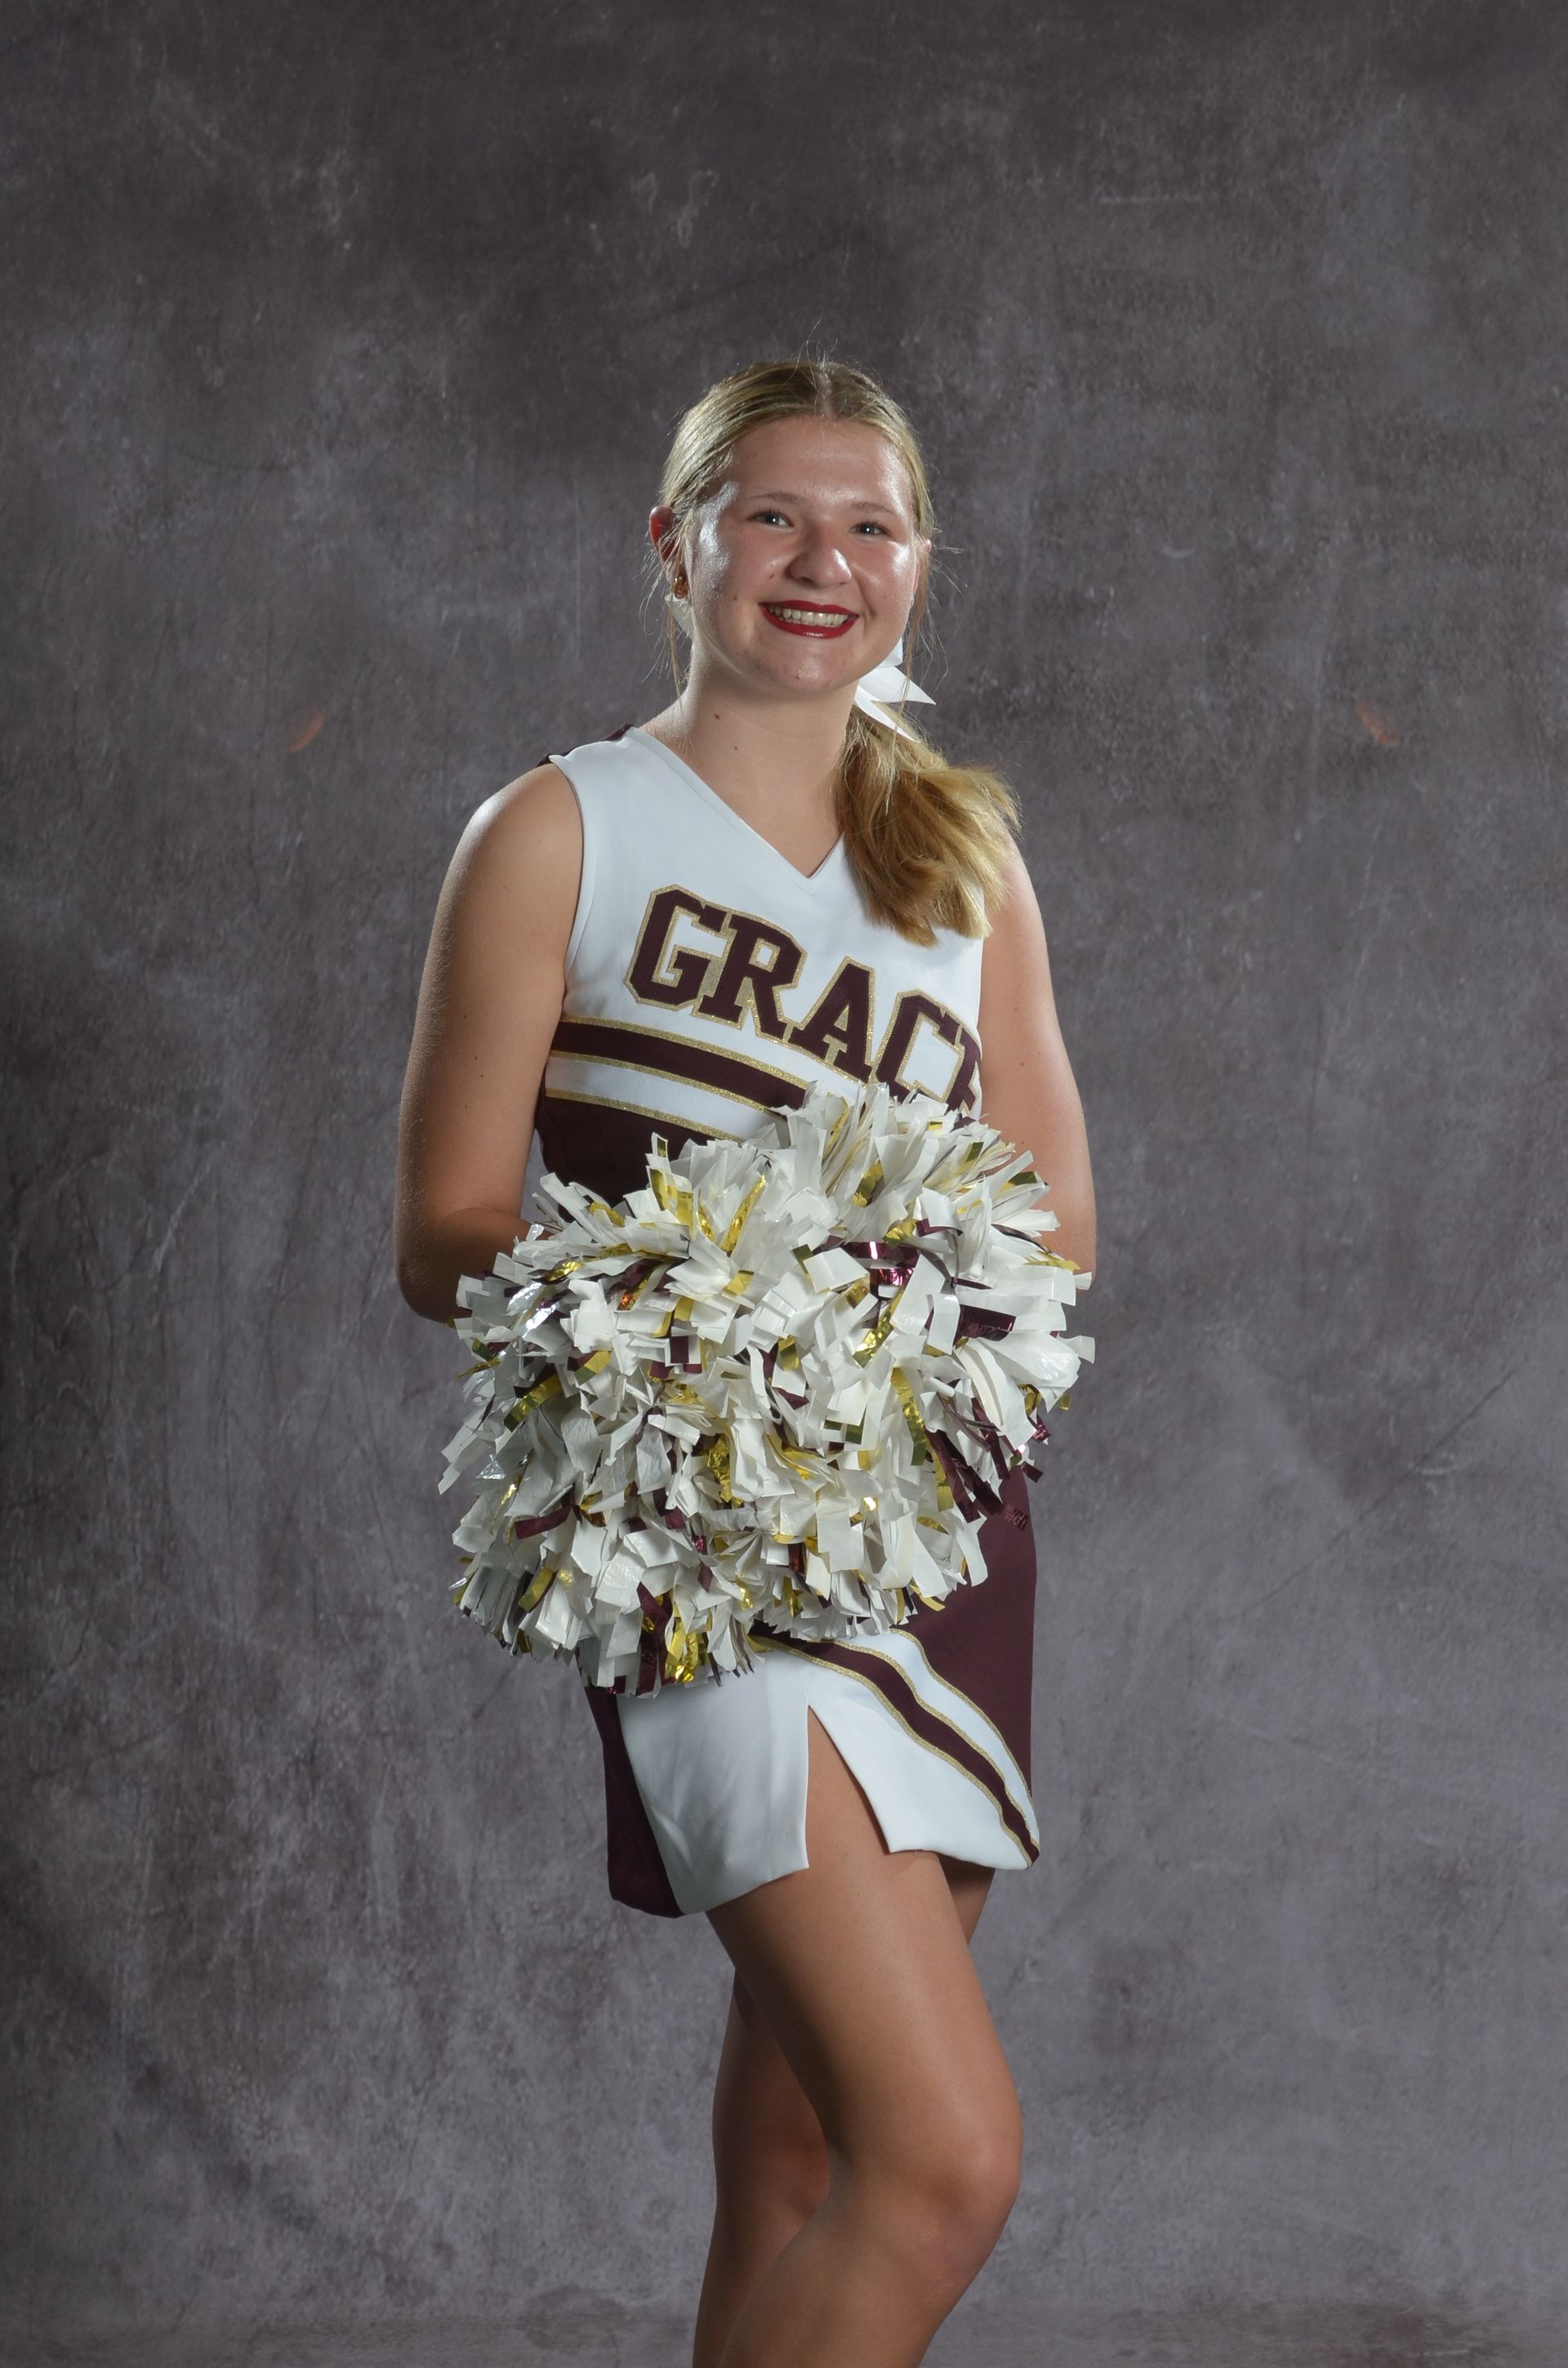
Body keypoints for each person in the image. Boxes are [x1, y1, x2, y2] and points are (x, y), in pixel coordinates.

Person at [394, 355, 1097, 2368]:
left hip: (946, 1539)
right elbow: (445, 1226)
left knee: (797, 2147)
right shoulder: (558, 826)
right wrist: (714, 1317)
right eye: (774, 514)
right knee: (944, 2157)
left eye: (870, 525)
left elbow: (1059, 1225)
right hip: (709, 1538)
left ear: (920, 572)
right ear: (676, 541)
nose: (823, 562)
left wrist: (875, 1332)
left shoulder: (963, 859)